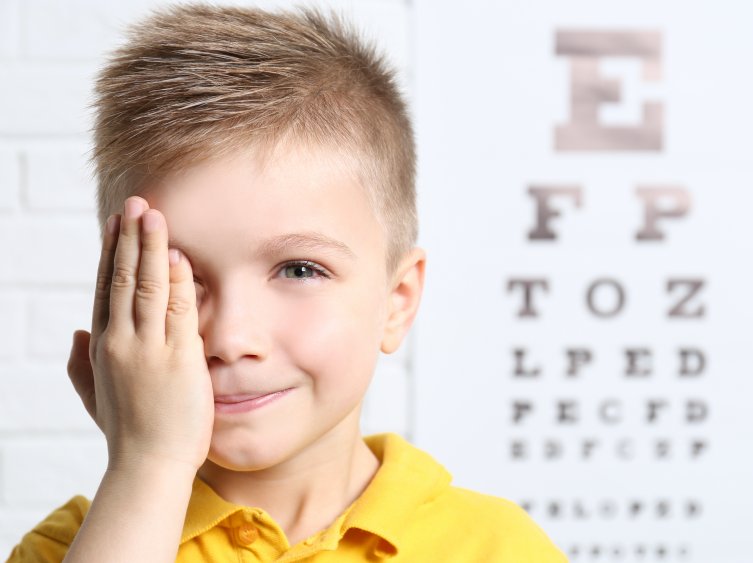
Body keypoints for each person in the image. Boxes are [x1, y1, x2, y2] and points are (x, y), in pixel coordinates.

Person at [5, 4, 567, 562]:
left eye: (299, 270)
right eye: (183, 277)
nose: (229, 338)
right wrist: (149, 464)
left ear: (397, 302)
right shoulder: (69, 548)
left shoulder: (497, 548)